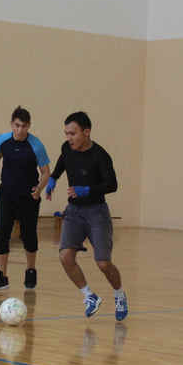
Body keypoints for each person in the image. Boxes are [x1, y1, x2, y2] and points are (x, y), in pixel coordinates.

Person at [46, 112, 126, 319]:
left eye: (73, 133)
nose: (69, 138)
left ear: (86, 132)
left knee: (103, 263)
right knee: (65, 256)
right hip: (74, 212)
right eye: (66, 133)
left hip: (96, 212)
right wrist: (53, 179)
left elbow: (112, 185)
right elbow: (62, 163)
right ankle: (89, 296)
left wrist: (88, 190)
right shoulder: (67, 148)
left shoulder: (100, 155)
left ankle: (119, 295)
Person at [0, 106, 51, 290]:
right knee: (1, 233)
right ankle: (1, 276)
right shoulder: (3, 140)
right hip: (6, 195)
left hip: (28, 197)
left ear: (29, 126)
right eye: (17, 125)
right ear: (12, 124)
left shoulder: (36, 145)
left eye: (24, 126)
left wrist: (39, 189)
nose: (20, 130)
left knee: (29, 234)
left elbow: (46, 172)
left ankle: (31, 270)